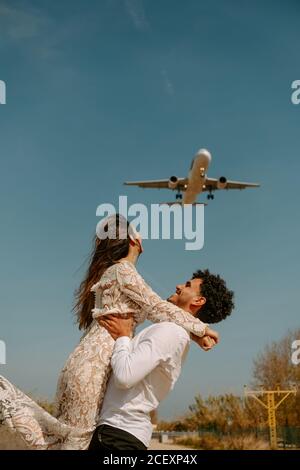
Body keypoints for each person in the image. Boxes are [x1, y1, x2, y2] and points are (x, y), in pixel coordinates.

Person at [0, 215, 218, 450]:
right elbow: (156, 307)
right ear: (136, 242)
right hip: (93, 369)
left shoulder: (117, 273)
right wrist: (201, 328)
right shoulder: (123, 271)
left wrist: (194, 332)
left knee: (61, 440)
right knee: (71, 442)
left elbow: (158, 310)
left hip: (87, 364)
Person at [88, 269, 234, 451]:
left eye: (188, 285)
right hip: (119, 433)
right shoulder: (176, 333)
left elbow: (125, 376)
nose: (179, 286)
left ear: (198, 301)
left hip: (118, 436)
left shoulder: (171, 332)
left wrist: (123, 337)